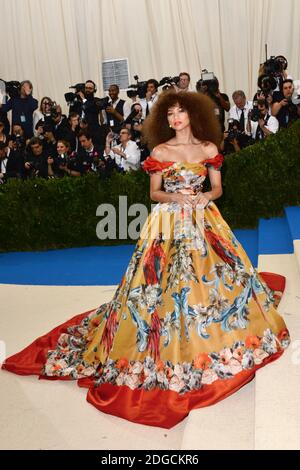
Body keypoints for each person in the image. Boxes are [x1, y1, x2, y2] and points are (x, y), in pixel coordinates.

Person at [1, 91, 290, 429]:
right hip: (167, 220)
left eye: (180, 111)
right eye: (169, 113)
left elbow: (217, 189)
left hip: (203, 218)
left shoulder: (210, 149)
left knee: (217, 277)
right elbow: (154, 193)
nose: (174, 118)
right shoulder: (159, 152)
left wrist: (203, 197)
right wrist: (177, 197)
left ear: (194, 114)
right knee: (160, 286)